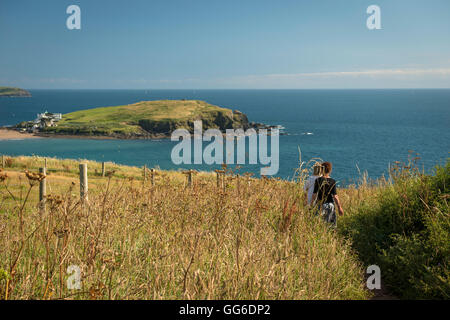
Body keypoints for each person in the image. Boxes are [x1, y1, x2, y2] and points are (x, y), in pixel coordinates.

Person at [311, 161, 344, 227]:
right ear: (330, 170)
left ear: (321, 169)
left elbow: (314, 194)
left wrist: (312, 206)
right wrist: (339, 207)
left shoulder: (318, 180)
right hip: (330, 205)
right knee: (331, 225)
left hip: (320, 205)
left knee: (319, 225)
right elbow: (335, 196)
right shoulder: (333, 181)